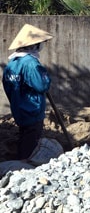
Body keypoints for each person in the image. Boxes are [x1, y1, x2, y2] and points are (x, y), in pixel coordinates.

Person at [2, 24, 53, 160]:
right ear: (35, 45)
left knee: (24, 137)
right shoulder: (31, 63)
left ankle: (22, 159)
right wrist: (46, 77)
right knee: (31, 142)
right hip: (33, 110)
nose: (42, 46)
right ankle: (26, 165)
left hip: (19, 110)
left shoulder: (12, 64)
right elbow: (42, 85)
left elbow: (8, 87)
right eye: (41, 43)